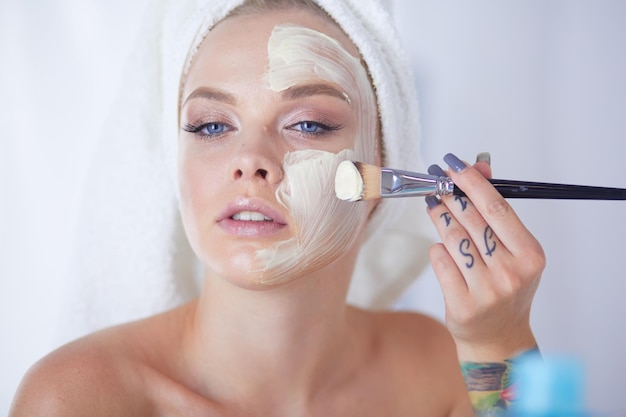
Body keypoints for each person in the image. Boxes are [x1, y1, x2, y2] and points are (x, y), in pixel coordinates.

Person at [9, 0, 544, 415]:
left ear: (384, 160)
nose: (249, 160)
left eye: (308, 123)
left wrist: (502, 342)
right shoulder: (79, 399)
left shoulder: (443, 368)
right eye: (212, 125)